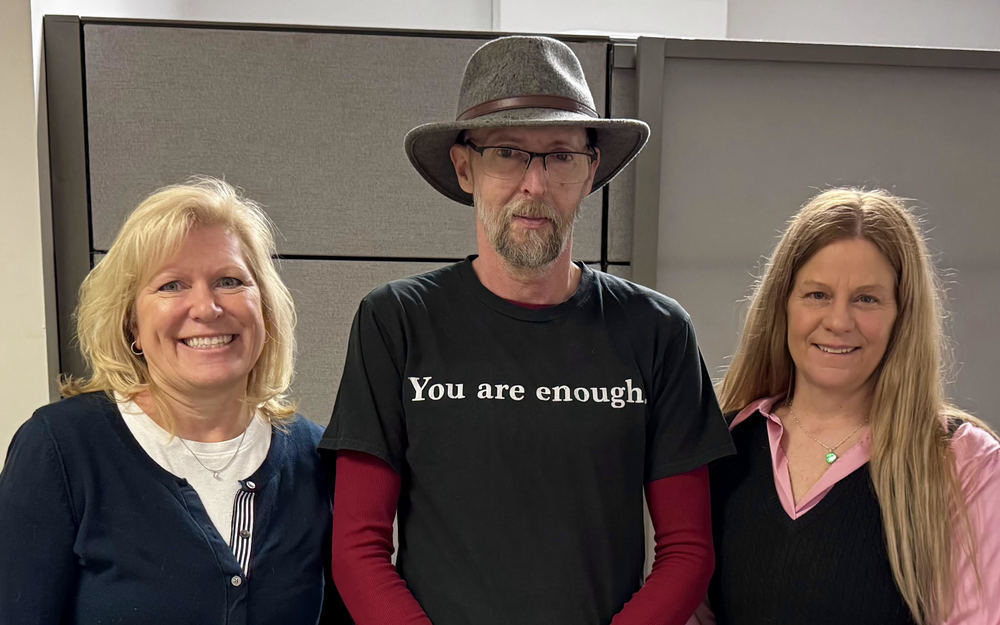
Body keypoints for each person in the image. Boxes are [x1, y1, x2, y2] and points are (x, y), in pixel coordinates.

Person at [321, 36, 734, 625]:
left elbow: (689, 551)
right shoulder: (397, 321)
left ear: (592, 171)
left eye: (561, 155)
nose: (535, 185)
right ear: (465, 167)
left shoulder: (657, 331)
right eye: (508, 153)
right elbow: (357, 550)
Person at [0, 178, 348, 624]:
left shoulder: (316, 457)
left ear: (265, 308)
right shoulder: (61, 449)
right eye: (171, 286)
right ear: (132, 324)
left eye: (229, 280)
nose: (205, 307)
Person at [694, 188, 1000, 625]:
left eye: (867, 299)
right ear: (783, 306)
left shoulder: (964, 461)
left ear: (902, 315)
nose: (839, 321)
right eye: (817, 295)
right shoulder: (721, 448)